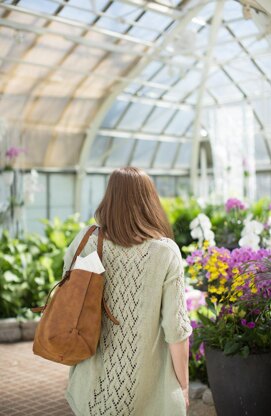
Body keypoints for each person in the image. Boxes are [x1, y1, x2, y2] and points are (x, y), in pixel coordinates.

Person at [64, 167, 193, 416]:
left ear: (109, 198)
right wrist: (183, 386)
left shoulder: (86, 241)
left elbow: (69, 303)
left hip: (90, 389)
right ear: (149, 201)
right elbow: (176, 329)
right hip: (149, 393)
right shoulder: (165, 252)